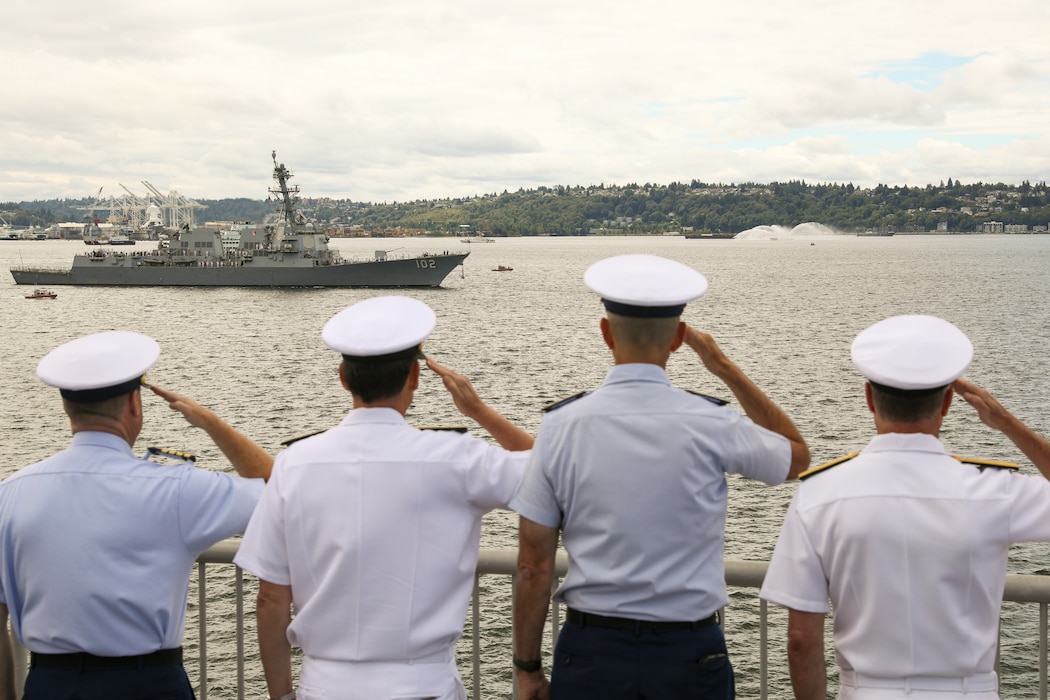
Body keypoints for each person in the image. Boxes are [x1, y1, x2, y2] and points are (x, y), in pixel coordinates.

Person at [511, 254, 810, 700]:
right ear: (678, 340)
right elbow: (797, 459)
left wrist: (528, 670)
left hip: (593, 654)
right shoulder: (711, 422)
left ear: (606, 332)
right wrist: (724, 366)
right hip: (688, 654)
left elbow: (533, 565)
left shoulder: (562, 426)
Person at [233, 295, 534, 700]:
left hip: (324, 686)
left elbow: (271, 599)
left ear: (343, 376)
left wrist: (281, 696)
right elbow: (550, 473)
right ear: (415, 376)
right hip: (423, 686)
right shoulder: (456, 459)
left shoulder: (294, 464)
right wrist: (478, 410)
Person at [760, 314, 1050, 700]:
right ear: (948, 402)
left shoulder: (820, 493)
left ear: (868, 397)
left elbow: (801, 639)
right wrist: (1008, 424)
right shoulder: (995, 491)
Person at [0, 330, 273, 700]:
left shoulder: (11, 492)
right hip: (149, 683)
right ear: (135, 403)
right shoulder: (177, 488)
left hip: (52, 683)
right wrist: (210, 422)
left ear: (67, 407)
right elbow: (280, 491)